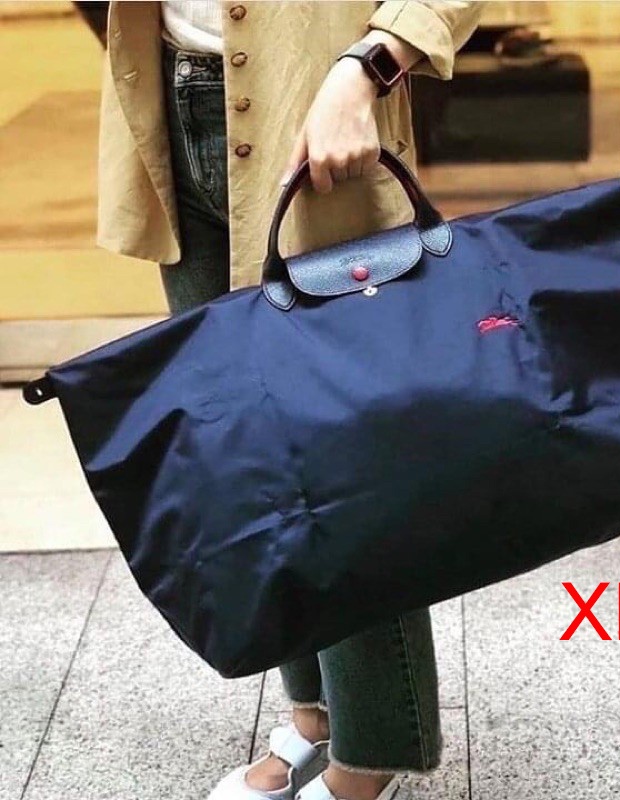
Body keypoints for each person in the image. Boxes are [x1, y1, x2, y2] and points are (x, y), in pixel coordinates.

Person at [96, 3, 483, 800]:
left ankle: (370, 753)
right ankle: (315, 716)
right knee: (253, 456)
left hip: (322, 105)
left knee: (341, 462)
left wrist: (371, 65)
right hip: (168, 94)